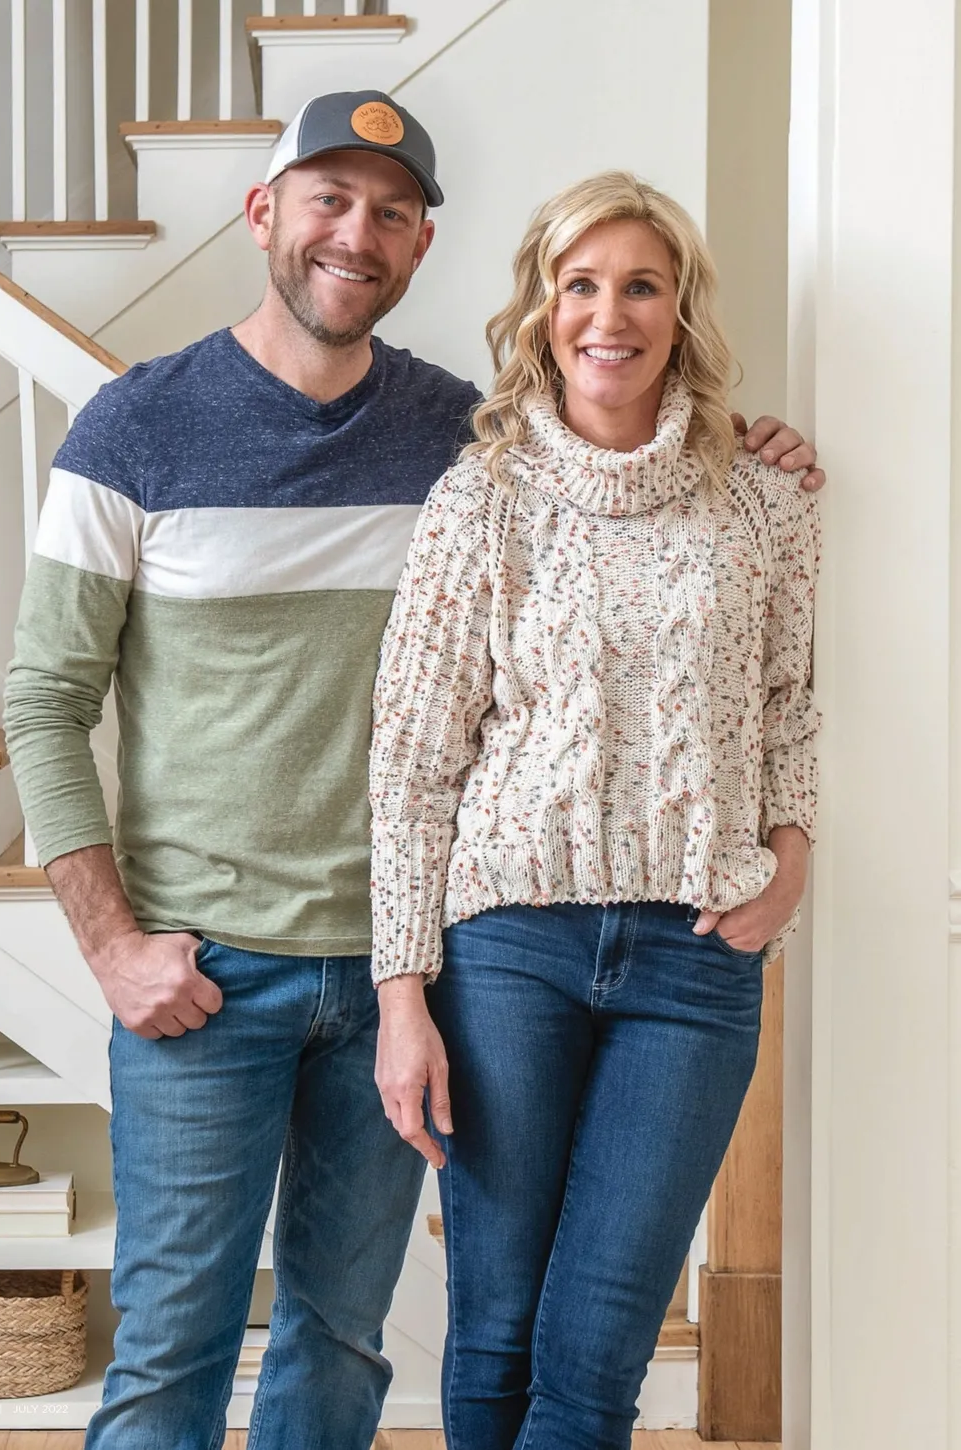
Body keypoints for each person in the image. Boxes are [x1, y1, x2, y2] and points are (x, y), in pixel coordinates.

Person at [4, 86, 820, 1450]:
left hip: (412, 968)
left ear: (423, 244)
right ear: (263, 212)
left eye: (390, 211)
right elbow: (43, 699)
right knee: (172, 1348)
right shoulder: (134, 429)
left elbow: (609, 451)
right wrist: (110, 943)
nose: (355, 232)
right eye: (327, 199)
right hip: (212, 965)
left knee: (341, 1338)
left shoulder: (460, 435)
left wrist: (741, 439)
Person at [369, 170, 820, 1450]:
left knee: (595, 1349)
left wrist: (787, 870)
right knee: (497, 1329)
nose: (608, 315)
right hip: (509, 951)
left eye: (641, 286)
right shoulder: (482, 498)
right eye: (581, 285)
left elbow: (789, 710)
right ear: (543, 307)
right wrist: (402, 995)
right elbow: (411, 762)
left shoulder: (762, 498)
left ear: (681, 311)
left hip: (697, 961)